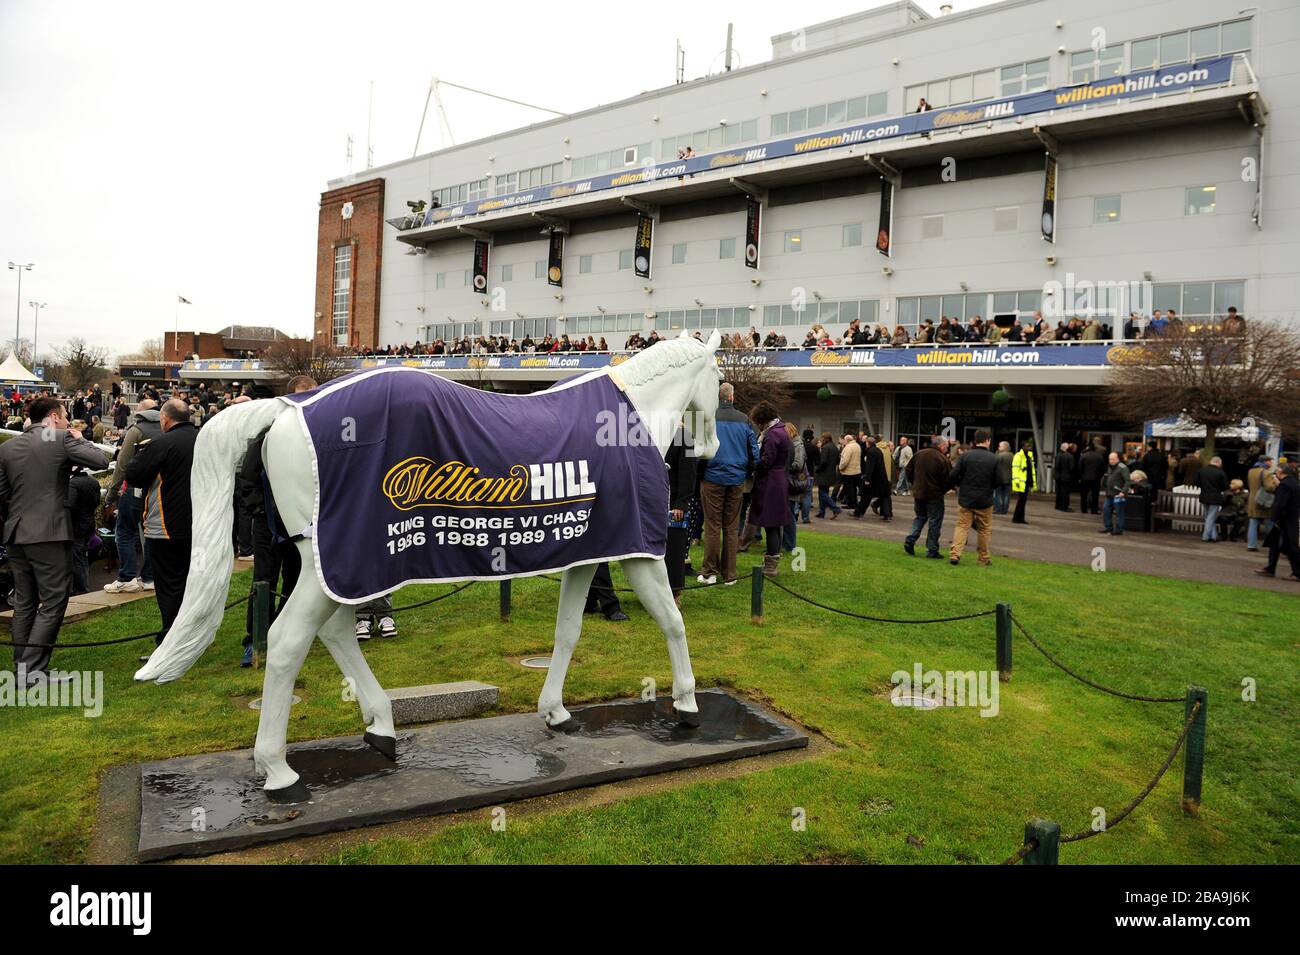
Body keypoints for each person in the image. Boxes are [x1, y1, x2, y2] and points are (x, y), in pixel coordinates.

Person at [0, 397, 109, 684]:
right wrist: (80, 437)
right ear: (52, 416)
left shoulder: (8, 447)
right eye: (64, 416)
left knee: (24, 602)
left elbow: (2, 494)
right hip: (48, 533)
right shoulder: (60, 438)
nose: (66, 421)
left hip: (15, 532)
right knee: (54, 600)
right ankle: (32, 671)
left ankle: (22, 670)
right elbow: (101, 460)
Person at [125, 399, 198, 656]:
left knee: (168, 587)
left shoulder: (162, 443)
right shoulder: (201, 439)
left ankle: (171, 642)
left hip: (166, 526)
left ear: (165, 420)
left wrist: (140, 452)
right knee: (189, 583)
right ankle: (186, 637)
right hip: (199, 525)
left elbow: (133, 474)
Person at [697, 382, 758, 586]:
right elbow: (754, 453)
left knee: (712, 526)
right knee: (731, 528)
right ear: (731, 398)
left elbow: (697, 450)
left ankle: (709, 572)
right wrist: (746, 472)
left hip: (712, 478)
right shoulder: (745, 420)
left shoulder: (708, 418)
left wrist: (700, 474)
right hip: (736, 479)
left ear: (718, 397)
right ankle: (729, 575)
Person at [104, 398, 161, 593]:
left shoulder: (136, 431)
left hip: (135, 488)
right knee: (152, 533)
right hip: (158, 489)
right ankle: (149, 578)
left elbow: (122, 464)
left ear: (140, 412)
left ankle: (127, 577)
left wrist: (111, 493)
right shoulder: (167, 428)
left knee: (125, 531)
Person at [748, 401, 791, 577]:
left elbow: (766, 461)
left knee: (771, 525)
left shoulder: (773, 434)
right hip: (778, 480)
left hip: (771, 483)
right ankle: (772, 561)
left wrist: (752, 462)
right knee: (775, 524)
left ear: (763, 419)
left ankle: (771, 566)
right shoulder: (782, 430)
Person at [948, 429, 997, 566]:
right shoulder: (993, 458)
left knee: (962, 526)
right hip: (985, 499)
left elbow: (953, 475)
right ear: (987, 441)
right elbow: (999, 480)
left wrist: (960, 484)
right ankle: (983, 558)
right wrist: (989, 487)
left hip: (966, 498)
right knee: (984, 529)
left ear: (975, 441)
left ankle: (955, 554)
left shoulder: (965, 456)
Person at [665, 425, 698, 604]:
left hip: (674, 502)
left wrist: (681, 503)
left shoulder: (683, 436)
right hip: (652, 501)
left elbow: (689, 471)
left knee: (674, 550)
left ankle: (674, 592)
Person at [903, 436, 951, 559]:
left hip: (919, 493)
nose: (947, 448)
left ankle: (911, 539)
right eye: (946, 446)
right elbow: (947, 480)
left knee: (920, 517)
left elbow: (908, 470)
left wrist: (914, 483)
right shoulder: (943, 459)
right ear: (941, 446)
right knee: (934, 522)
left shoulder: (919, 454)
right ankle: (932, 549)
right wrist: (943, 490)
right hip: (934, 495)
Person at [1256, 461, 1300, 581]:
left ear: (1281, 472)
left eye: (1277, 472)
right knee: (1276, 543)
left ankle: (1297, 572)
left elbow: (1280, 503)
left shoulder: (1284, 485)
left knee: (1290, 546)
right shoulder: (1295, 483)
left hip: (1284, 519)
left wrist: (1274, 517)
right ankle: (1270, 568)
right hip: (1291, 517)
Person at [67, 465, 102, 595]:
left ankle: (81, 589)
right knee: (83, 558)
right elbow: (97, 502)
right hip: (89, 523)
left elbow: (70, 505)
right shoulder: (93, 481)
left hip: (77, 526)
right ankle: (83, 587)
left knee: (77, 559)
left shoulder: (73, 484)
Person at [1245, 456, 1279, 552]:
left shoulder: (1251, 471)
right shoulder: (1266, 473)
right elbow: (1269, 487)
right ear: (1265, 462)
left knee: (1253, 522)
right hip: (1263, 500)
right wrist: (1276, 483)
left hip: (1252, 500)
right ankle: (1274, 543)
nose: (1271, 463)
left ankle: (1251, 544)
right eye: (1270, 461)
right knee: (1269, 521)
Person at [857, 436, 893, 521]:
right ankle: (887, 515)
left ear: (868, 443)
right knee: (884, 496)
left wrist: (867, 479)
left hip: (873, 478)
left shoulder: (871, 452)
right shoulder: (879, 450)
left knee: (865, 496)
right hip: (882, 477)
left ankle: (859, 512)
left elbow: (870, 467)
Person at [783, 423, 807, 551]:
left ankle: (789, 544)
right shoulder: (794, 444)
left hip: (793, 484)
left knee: (790, 515)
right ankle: (786, 543)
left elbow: (798, 464)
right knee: (787, 515)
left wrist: (783, 466)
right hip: (791, 483)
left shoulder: (798, 445)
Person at [1197, 455, 1229, 542]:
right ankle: (1206, 536)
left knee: (1208, 517)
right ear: (1219, 463)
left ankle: (1214, 536)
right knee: (1211, 517)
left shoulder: (1201, 470)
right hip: (1215, 497)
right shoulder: (1221, 472)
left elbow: (1196, 483)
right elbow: (1225, 486)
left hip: (1204, 496)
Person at [1100, 451, 1131, 535]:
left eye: (1113, 459)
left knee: (1119, 513)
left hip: (1119, 495)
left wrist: (1123, 492)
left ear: (1118, 459)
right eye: (1110, 459)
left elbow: (1127, 481)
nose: (1111, 461)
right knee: (1106, 511)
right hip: (1109, 494)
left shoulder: (1123, 467)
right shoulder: (1110, 467)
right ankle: (1108, 527)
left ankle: (1118, 530)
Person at [813, 432, 841, 519]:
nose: (821, 440)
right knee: (823, 493)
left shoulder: (825, 448)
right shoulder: (835, 447)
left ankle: (835, 508)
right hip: (831, 473)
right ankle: (821, 512)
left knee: (822, 493)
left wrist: (817, 469)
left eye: (822, 438)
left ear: (826, 439)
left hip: (823, 474)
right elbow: (837, 461)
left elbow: (823, 461)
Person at [1011, 440, 1036, 524]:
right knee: (1021, 500)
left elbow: (1031, 470)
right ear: (1022, 447)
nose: (1029, 447)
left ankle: (1020, 518)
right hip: (1021, 483)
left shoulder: (1029, 456)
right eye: (1027, 446)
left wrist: (1032, 483)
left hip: (1027, 482)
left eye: (1029, 446)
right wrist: (1016, 480)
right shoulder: (1018, 456)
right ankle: (1017, 518)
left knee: (1023, 501)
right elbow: (1015, 469)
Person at [1078, 442, 1106, 515]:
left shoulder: (1084, 456)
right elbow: (1103, 469)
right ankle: (1094, 510)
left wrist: (1080, 477)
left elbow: (1079, 468)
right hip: (1095, 479)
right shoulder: (1099, 456)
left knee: (1083, 495)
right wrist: (1099, 476)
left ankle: (1084, 509)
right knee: (1095, 496)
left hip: (1085, 478)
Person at [837, 432, 862, 514]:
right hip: (857, 471)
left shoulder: (848, 447)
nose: (843, 441)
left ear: (846, 440)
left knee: (849, 489)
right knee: (854, 489)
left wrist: (840, 467)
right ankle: (854, 503)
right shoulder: (857, 446)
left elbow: (845, 460)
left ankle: (851, 504)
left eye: (844, 440)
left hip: (849, 472)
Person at [1053, 442, 1075, 512]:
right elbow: (1071, 468)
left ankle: (1058, 505)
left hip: (1059, 476)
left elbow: (1057, 466)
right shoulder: (1068, 456)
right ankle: (1064, 506)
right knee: (1065, 493)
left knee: (1059, 492)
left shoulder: (1059, 455)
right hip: (1065, 477)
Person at [993, 440, 1013, 514]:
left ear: (1004, 447)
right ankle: (1005, 509)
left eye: (1000, 446)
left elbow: (994, 466)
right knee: (1007, 495)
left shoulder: (999, 456)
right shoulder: (1012, 455)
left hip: (1000, 478)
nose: (998, 447)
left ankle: (998, 509)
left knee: (997, 494)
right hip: (1009, 478)